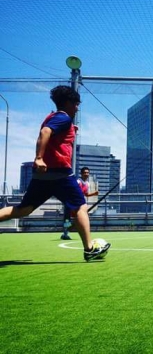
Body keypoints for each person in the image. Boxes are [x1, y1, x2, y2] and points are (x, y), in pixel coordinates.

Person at [0, 85, 110, 261]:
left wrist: (71, 131)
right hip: (60, 173)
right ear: (67, 103)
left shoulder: (54, 117)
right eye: (75, 104)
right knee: (81, 206)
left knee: (24, 209)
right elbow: (45, 132)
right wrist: (38, 157)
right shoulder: (63, 118)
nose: (77, 107)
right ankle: (89, 249)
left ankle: (88, 246)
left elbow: (53, 134)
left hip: (43, 175)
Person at [61, 166, 99, 240]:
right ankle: (65, 234)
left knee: (80, 218)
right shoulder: (78, 182)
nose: (86, 174)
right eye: (84, 173)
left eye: (87, 173)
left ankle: (69, 230)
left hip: (79, 203)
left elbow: (85, 194)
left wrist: (94, 193)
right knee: (67, 219)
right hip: (71, 202)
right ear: (81, 174)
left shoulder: (87, 184)